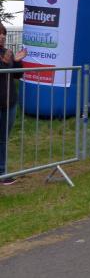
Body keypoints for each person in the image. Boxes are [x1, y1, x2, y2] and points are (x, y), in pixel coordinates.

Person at [0, 24, 26, 185]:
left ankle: (2, 172)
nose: (2, 36)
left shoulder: (7, 52)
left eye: (4, 33)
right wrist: (4, 63)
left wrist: (16, 62)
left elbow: (17, 75)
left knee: (3, 139)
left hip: (9, 102)